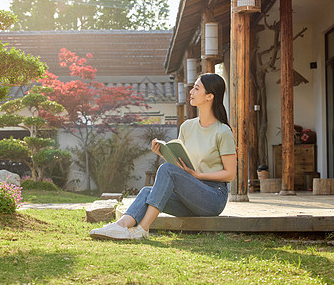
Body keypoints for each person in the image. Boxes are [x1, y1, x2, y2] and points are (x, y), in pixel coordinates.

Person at [89, 73, 237, 240]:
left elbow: (230, 174)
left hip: (212, 197)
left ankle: (142, 229)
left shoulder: (222, 131)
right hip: (190, 195)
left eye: (197, 88)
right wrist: (163, 153)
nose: (191, 91)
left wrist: (198, 175)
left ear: (210, 96)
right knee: (147, 192)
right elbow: (179, 166)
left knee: (165, 170)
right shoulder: (187, 127)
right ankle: (120, 226)